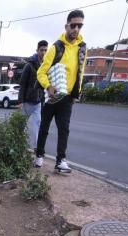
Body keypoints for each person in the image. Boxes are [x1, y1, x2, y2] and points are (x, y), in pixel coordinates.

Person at [35, 10, 87, 173]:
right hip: (51, 96)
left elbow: (81, 72)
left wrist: (76, 94)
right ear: (67, 25)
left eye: (80, 25)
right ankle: (39, 156)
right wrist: (48, 87)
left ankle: (60, 161)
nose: (76, 29)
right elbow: (41, 72)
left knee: (64, 129)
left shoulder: (82, 48)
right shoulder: (56, 47)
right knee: (44, 127)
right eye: (73, 25)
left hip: (67, 98)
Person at [18, 40, 48, 151]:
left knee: (36, 125)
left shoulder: (46, 66)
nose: (44, 52)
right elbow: (22, 84)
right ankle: (16, 145)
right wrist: (20, 101)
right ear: (37, 50)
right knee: (20, 125)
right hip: (26, 102)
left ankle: (36, 149)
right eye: (41, 50)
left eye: (45, 50)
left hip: (37, 103)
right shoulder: (29, 66)